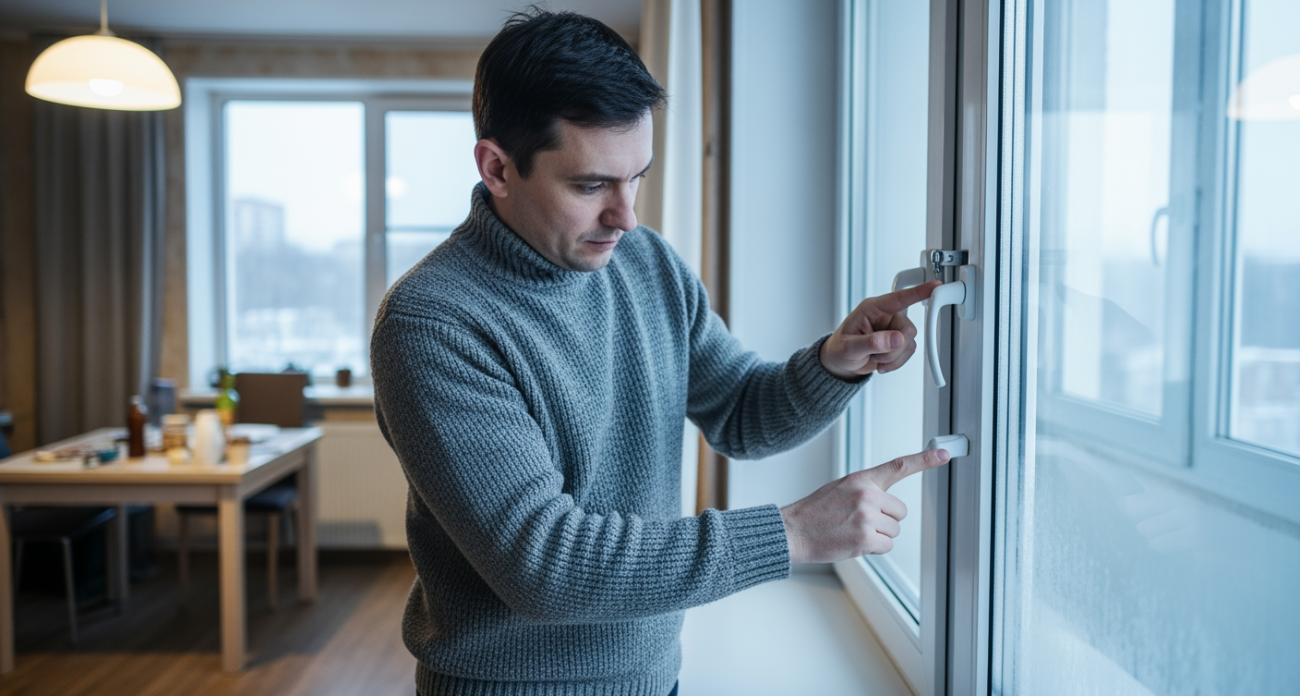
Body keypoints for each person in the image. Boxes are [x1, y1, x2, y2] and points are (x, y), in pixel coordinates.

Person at [370, 10, 948, 696]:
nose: (627, 216)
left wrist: (833, 362)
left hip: (653, 679)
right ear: (497, 167)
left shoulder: (643, 262)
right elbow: (545, 567)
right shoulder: (432, 322)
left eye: (636, 176)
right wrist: (793, 533)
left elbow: (741, 414)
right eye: (591, 186)